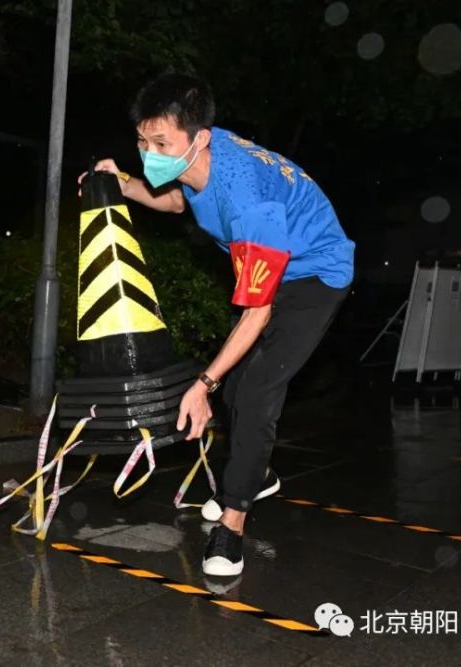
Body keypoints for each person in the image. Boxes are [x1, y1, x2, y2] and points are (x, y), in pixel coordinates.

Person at [82, 73, 355, 576]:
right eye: (143, 141)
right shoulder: (200, 156)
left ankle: (232, 527)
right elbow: (173, 200)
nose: (150, 154)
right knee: (236, 395)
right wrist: (119, 179)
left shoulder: (249, 201)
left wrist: (202, 384)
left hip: (315, 275)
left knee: (252, 391)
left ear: (199, 138)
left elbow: (259, 311)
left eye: (161, 143)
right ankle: (257, 474)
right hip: (274, 263)